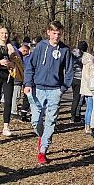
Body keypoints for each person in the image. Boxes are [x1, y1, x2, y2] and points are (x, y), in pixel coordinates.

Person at [24, 20, 73, 164]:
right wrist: (28, 83)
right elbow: (30, 66)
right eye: (53, 33)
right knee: (35, 120)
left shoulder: (65, 50)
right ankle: (42, 136)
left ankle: (43, 151)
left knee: (51, 121)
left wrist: (62, 89)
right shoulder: (40, 47)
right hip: (38, 89)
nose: (56, 36)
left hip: (54, 91)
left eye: (59, 33)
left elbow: (69, 72)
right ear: (48, 32)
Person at [79, 44, 94, 134]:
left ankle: (87, 125)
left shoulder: (84, 62)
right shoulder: (91, 61)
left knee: (88, 108)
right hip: (90, 88)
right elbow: (92, 75)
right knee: (90, 108)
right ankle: (88, 126)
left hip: (85, 87)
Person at [70, 41, 87, 123]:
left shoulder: (72, 54)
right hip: (80, 79)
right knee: (79, 98)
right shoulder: (84, 56)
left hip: (73, 78)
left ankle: (74, 115)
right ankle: (74, 116)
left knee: (75, 97)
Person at [18, 44, 32, 122]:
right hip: (30, 80)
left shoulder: (24, 59)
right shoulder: (30, 58)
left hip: (25, 80)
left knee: (26, 98)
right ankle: (31, 114)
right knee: (32, 98)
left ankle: (23, 114)